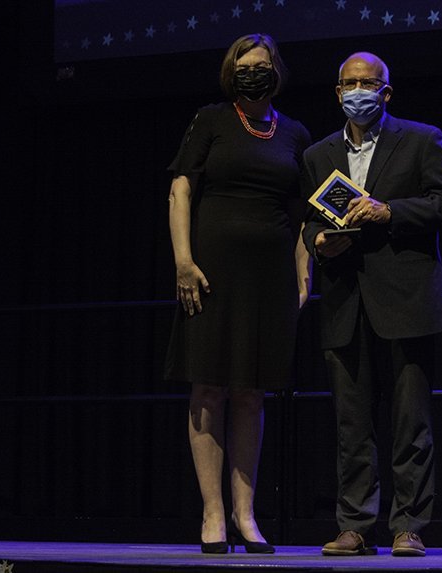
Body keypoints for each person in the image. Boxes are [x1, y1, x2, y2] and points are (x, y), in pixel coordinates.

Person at [301, 52, 442, 557]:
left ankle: (408, 525)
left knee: (409, 420)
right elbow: (309, 223)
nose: (358, 91)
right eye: (349, 83)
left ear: (386, 92)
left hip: (406, 300)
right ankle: (354, 525)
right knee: (352, 423)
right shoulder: (317, 154)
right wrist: (319, 243)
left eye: (368, 83)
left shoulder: (421, 139)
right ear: (337, 92)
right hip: (346, 303)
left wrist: (389, 210)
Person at [165, 33, 311, 554]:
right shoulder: (211, 120)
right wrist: (184, 262)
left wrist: (303, 272)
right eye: (244, 66)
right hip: (211, 273)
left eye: (263, 65)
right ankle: (212, 516)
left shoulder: (294, 133)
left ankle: (246, 516)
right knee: (208, 388)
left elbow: (301, 215)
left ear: (277, 72)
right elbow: (181, 189)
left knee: (252, 391)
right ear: (231, 72)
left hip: (269, 278)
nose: (255, 72)